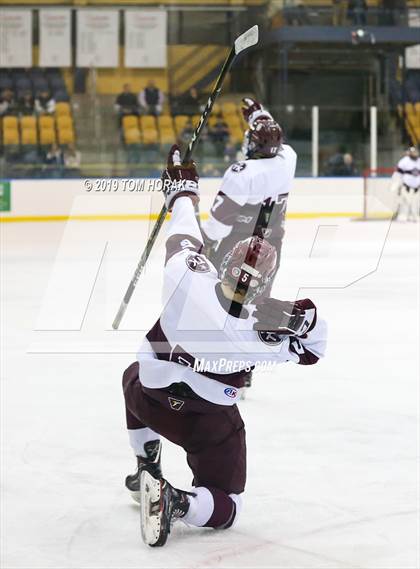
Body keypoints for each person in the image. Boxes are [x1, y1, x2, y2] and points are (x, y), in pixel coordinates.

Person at [122, 144, 327, 547]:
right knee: (228, 506)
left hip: (150, 399)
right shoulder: (261, 332)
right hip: (207, 425)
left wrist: (182, 191)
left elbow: (183, 232)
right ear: (263, 286)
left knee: (131, 376)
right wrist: (304, 317)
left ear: (225, 265)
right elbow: (315, 350)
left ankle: (146, 464)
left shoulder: (188, 274)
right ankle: (178, 502)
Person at [200, 98, 297, 391]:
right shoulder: (289, 157)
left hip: (237, 248)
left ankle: (214, 365)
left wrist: (199, 245)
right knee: (254, 305)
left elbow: (217, 225)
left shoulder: (241, 174)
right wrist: (258, 114)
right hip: (270, 250)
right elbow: (274, 138)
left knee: (219, 303)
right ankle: (245, 368)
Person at [394, 146, 420, 222]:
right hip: (406, 187)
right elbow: (398, 174)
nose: (414, 154)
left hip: (417, 187)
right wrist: (397, 184)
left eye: (415, 152)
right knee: (405, 202)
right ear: (409, 153)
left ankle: (415, 216)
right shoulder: (404, 161)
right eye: (413, 152)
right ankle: (403, 216)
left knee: (416, 202)